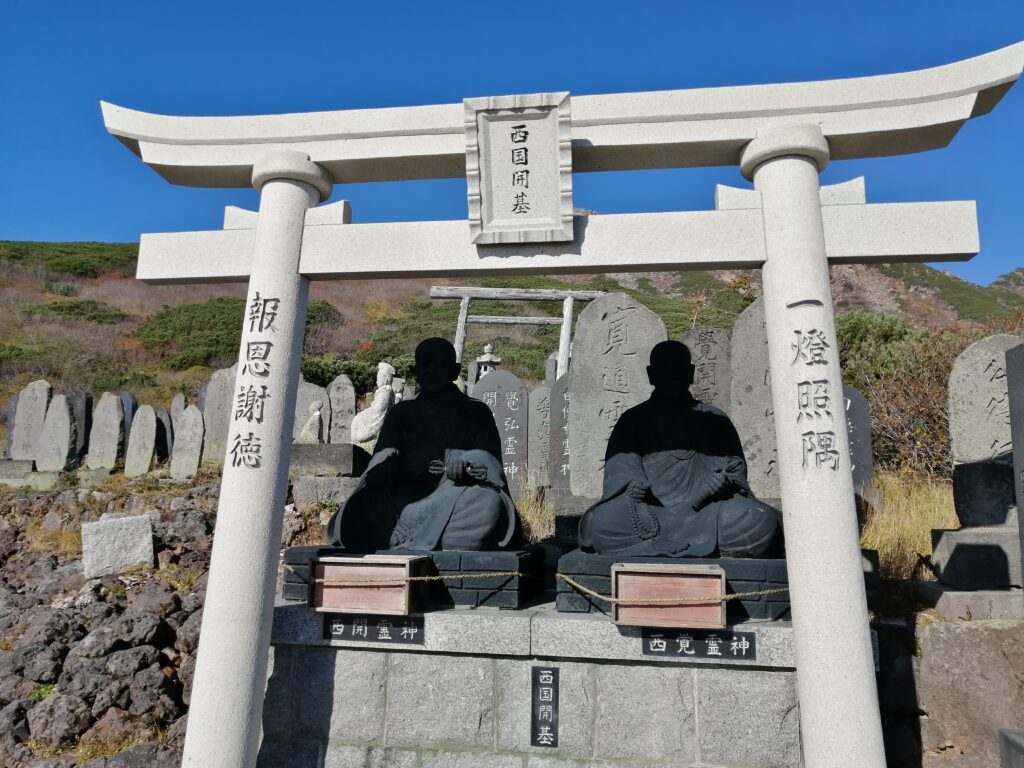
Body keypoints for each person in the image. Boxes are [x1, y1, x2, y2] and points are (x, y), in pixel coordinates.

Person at [579, 339, 782, 558]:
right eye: (664, 369)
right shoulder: (633, 420)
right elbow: (619, 469)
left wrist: (721, 482)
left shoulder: (715, 419)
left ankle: (655, 545)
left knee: (761, 521)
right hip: (651, 513)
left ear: (691, 372)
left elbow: (734, 470)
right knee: (599, 522)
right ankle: (656, 544)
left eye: (678, 368)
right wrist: (632, 487)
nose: (671, 374)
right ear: (651, 374)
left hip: (706, 513)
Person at [327, 337, 519, 552]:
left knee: (487, 504)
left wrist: (465, 461)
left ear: (454, 371)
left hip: (455, 494)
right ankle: (417, 534)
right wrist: (385, 471)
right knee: (357, 508)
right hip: (404, 497)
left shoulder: (475, 412)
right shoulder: (402, 413)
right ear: (417, 370)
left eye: (439, 364)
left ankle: (402, 534)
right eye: (425, 364)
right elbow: (383, 456)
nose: (431, 370)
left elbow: (490, 459)